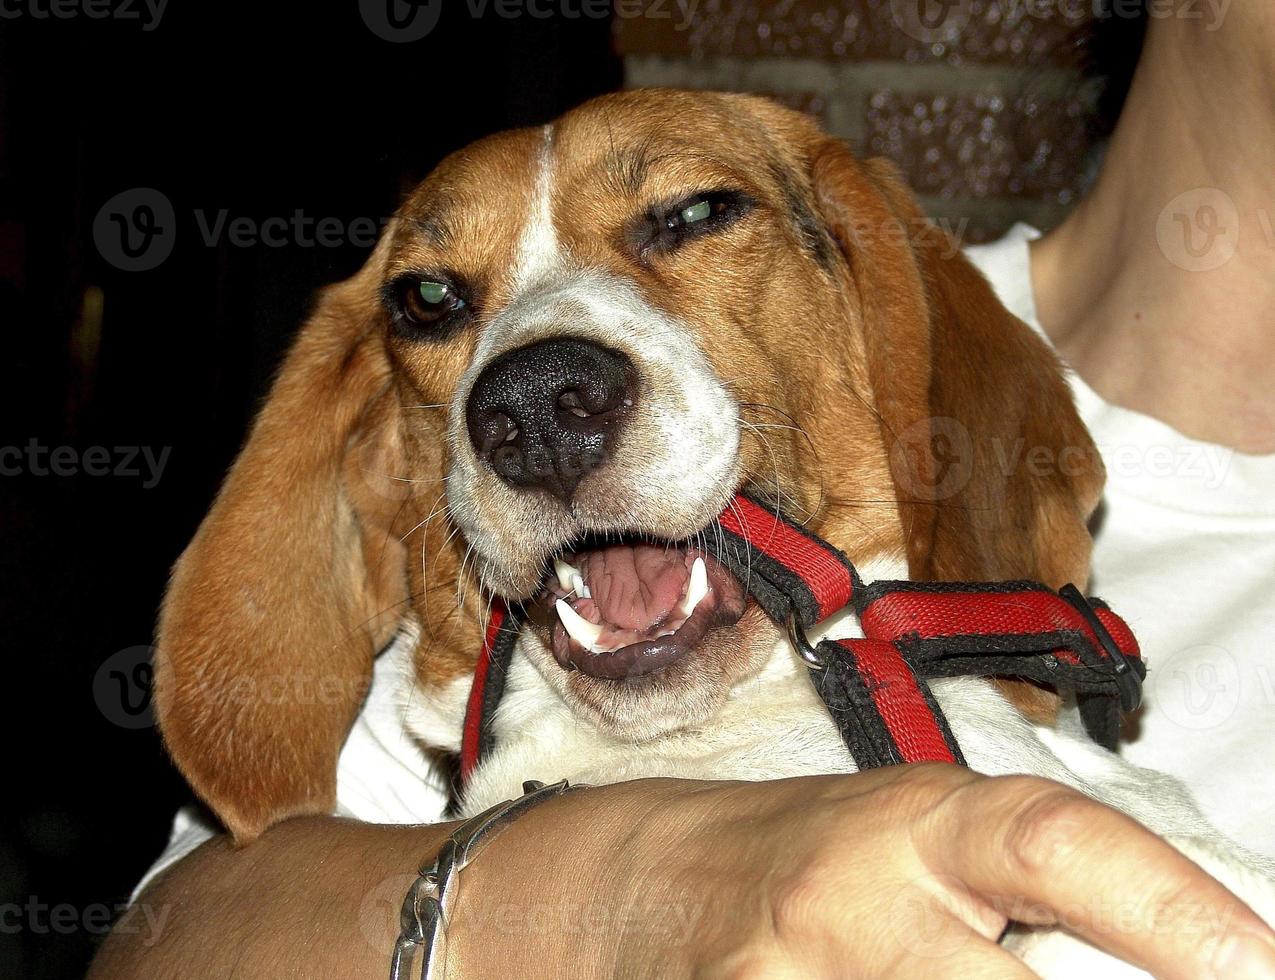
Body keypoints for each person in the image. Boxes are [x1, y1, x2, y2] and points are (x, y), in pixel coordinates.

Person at [90, 4, 1275, 977]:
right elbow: (172, 942)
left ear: (876, 321)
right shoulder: (443, 702)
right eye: (439, 304)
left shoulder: (937, 362)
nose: (535, 390)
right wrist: (629, 886)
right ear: (390, 466)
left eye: (693, 217)